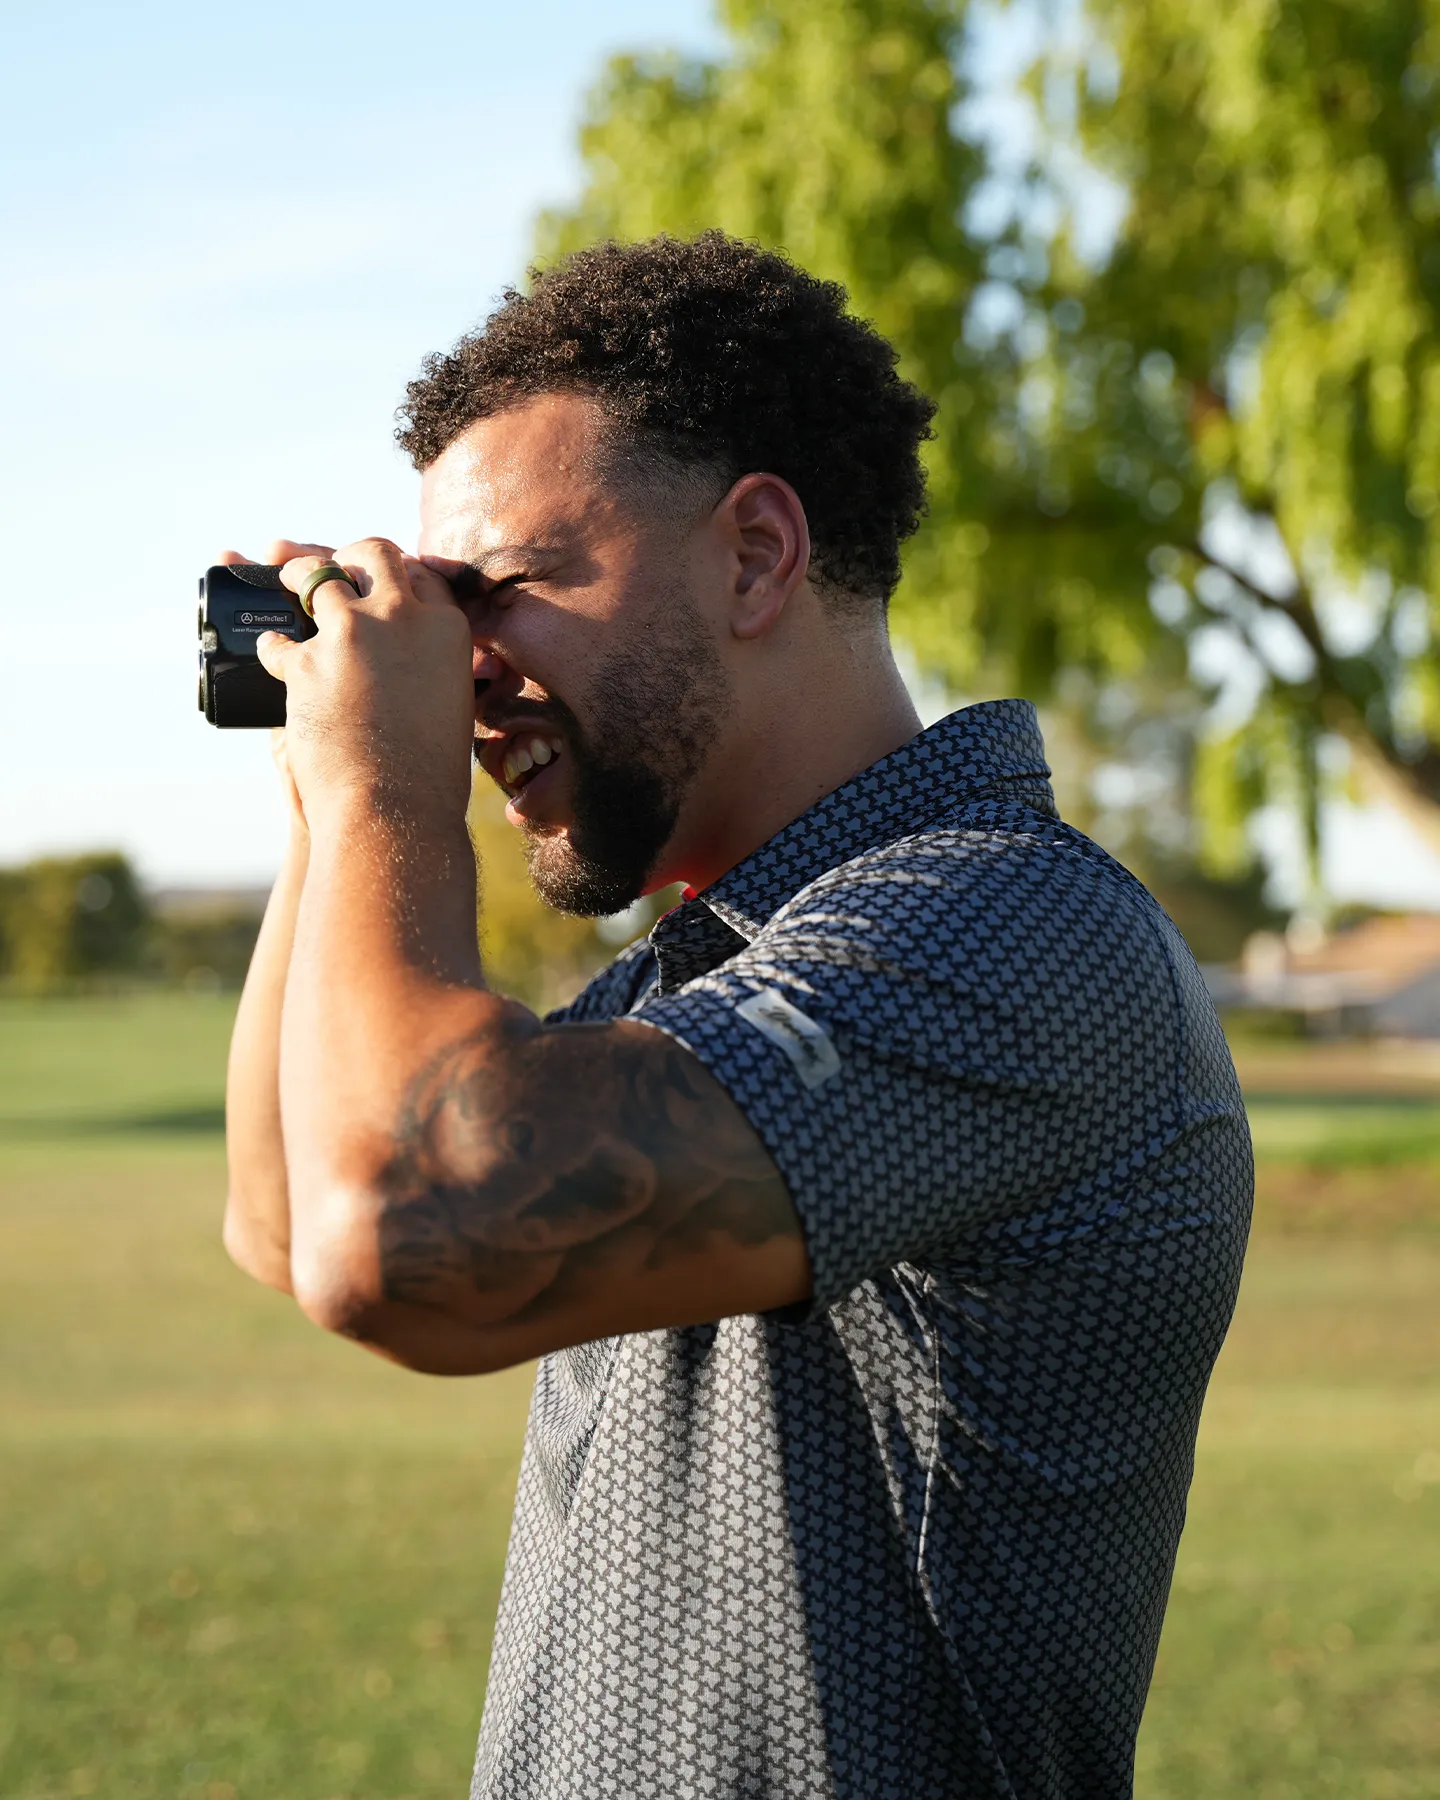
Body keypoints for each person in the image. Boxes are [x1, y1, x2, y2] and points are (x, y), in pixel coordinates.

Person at [222, 232, 1252, 1800]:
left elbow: (397, 1230)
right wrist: (328, 773)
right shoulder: (710, 970)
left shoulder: (1013, 928)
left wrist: (384, 774)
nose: (474, 671)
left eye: (500, 591)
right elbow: (292, 1205)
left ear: (759, 554)